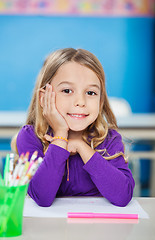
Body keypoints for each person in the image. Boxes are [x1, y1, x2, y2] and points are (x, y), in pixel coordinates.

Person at [12, 48, 135, 207]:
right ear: (44, 98)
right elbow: (42, 197)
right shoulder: (31, 137)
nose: (80, 101)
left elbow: (123, 196)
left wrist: (81, 147)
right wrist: (61, 135)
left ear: (101, 101)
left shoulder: (109, 140)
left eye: (91, 93)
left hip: (96, 228)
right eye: (67, 90)